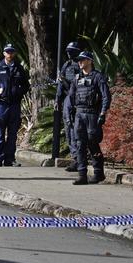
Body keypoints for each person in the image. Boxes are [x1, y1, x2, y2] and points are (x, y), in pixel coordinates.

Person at [65, 51, 111, 185]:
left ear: (90, 61)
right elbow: (71, 97)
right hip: (79, 114)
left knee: (93, 143)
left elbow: (106, 97)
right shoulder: (76, 78)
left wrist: (102, 113)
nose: (80, 62)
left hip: (92, 115)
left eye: (83, 60)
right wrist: (70, 113)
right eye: (79, 60)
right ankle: (82, 175)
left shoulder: (98, 77)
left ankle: (98, 173)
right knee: (80, 144)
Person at [0, 43, 30, 167]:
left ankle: (10, 159)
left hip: (14, 104)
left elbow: (26, 85)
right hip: (1, 104)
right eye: (7, 52)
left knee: (12, 133)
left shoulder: (19, 68)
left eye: (11, 52)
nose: (9, 54)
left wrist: (19, 91)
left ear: (14, 53)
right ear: (4, 53)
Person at [54, 41, 81, 172]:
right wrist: (57, 99)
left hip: (76, 100)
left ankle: (78, 159)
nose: (69, 53)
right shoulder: (67, 64)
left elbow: (75, 85)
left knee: (75, 129)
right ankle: (75, 156)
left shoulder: (80, 66)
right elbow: (60, 85)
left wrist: (64, 80)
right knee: (68, 128)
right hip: (66, 100)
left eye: (72, 51)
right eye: (68, 51)